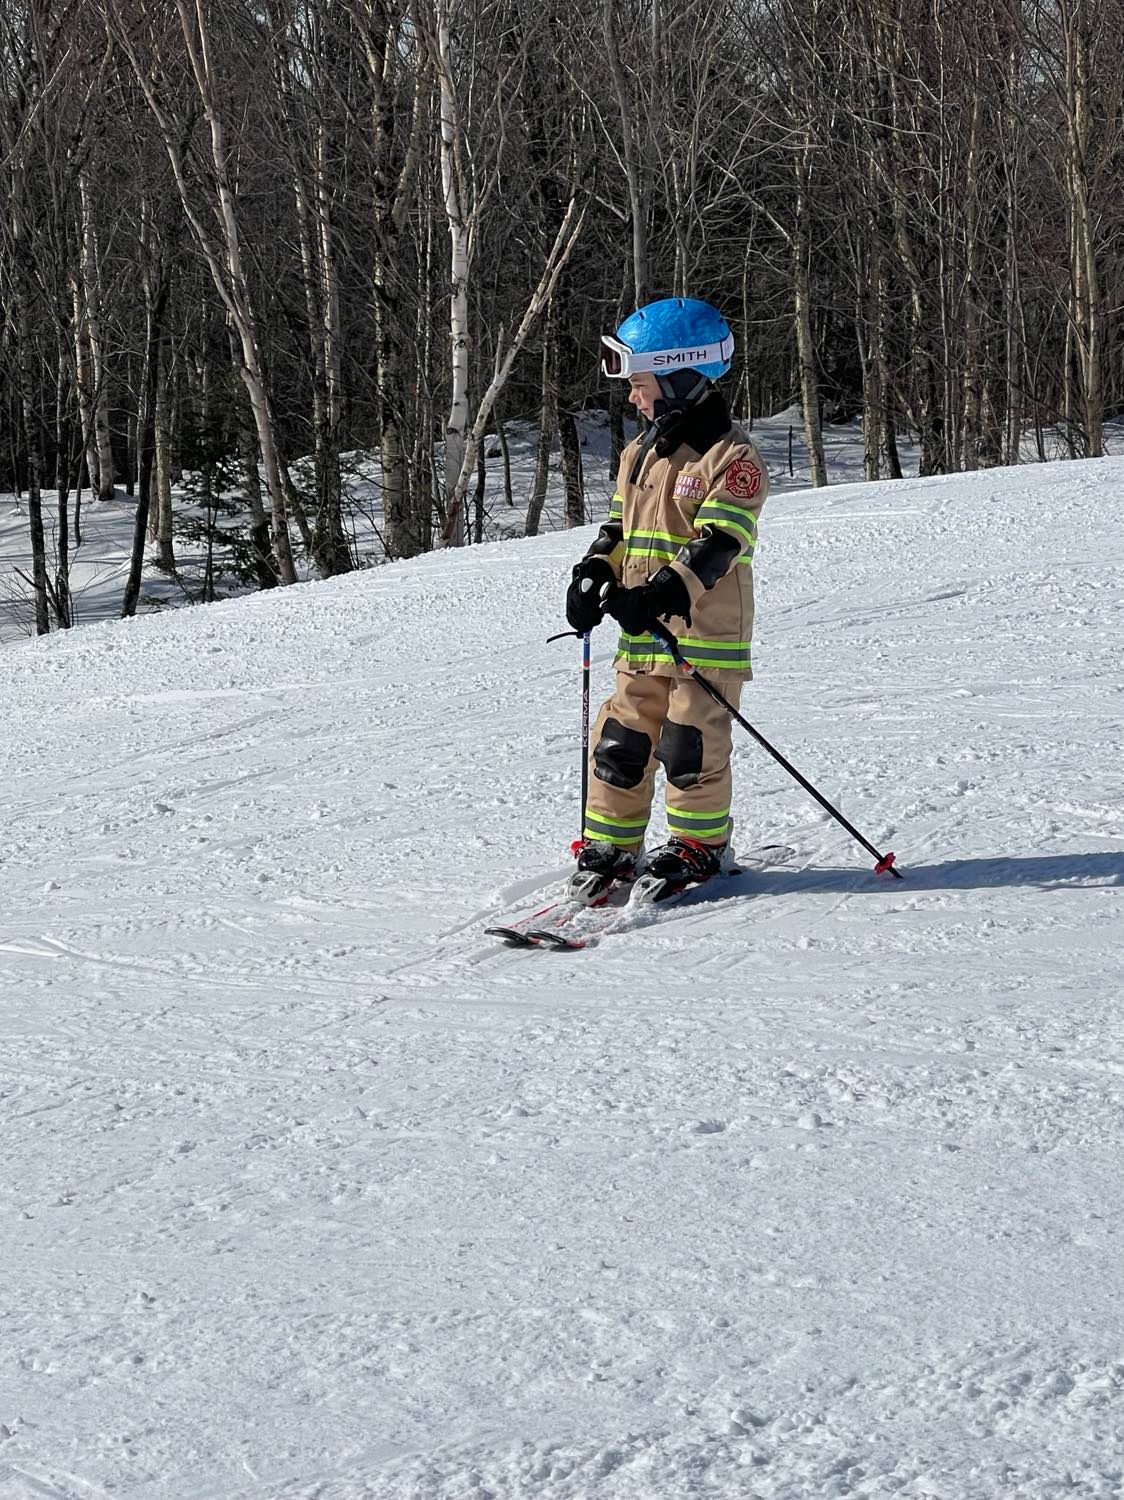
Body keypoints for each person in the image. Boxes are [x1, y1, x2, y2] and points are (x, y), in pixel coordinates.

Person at [564, 296, 769, 902]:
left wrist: (660, 592)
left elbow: (720, 542)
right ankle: (611, 845)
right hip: (643, 634)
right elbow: (620, 529)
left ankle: (698, 845)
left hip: (706, 634)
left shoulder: (732, 459)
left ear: (681, 375)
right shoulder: (641, 452)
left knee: (689, 741)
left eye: (640, 382)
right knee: (622, 739)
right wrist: (594, 572)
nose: (632, 396)